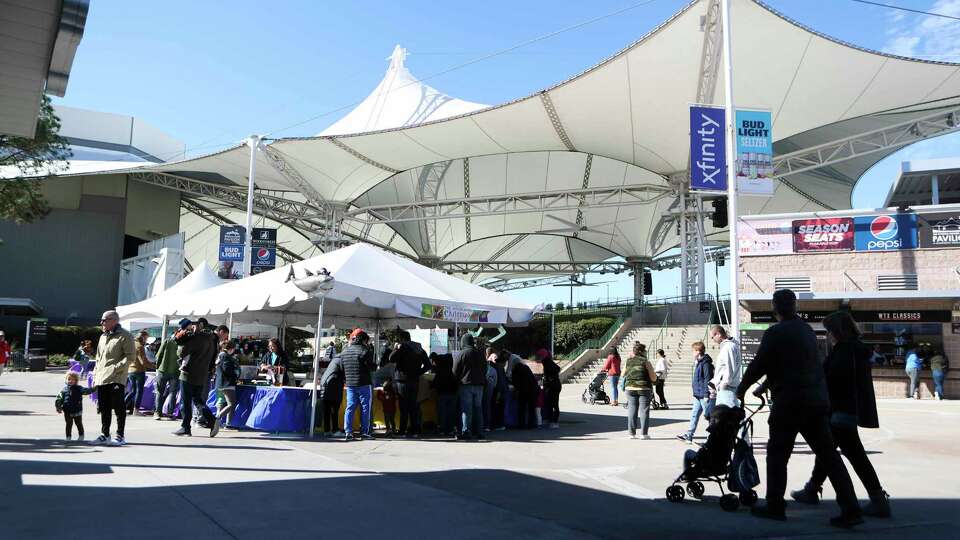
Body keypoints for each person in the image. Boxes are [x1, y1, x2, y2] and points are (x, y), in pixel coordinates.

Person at [735, 289, 862, 528]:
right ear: (795, 306)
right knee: (830, 457)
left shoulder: (776, 332)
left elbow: (760, 363)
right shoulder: (807, 331)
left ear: (775, 307)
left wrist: (741, 389)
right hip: (815, 402)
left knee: (777, 456)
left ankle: (774, 505)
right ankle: (851, 507)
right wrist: (765, 386)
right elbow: (795, 364)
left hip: (789, 404)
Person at [790, 311, 890, 518]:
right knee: (830, 452)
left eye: (829, 331)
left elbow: (834, 381)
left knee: (850, 455)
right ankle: (812, 489)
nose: (828, 335)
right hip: (845, 410)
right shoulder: (855, 349)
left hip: (840, 411)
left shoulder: (845, 351)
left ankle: (876, 499)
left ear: (837, 331)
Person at [91, 310, 136, 446]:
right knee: (104, 407)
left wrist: (114, 369)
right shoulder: (103, 336)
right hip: (102, 377)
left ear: (114, 320)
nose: (102, 323)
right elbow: (98, 357)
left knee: (118, 407)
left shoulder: (125, 336)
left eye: (104, 320)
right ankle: (105, 434)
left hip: (116, 377)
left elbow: (130, 358)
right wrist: (95, 372)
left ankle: (120, 435)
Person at [174, 320, 216, 436]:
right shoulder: (211, 340)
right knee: (197, 400)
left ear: (199, 326)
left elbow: (181, 353)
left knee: (186, 401)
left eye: (194, 325)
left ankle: (185, 427)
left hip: (188, 373)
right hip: (201, 374)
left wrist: (181, 346)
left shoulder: (196, 339)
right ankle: (211, 419)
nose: (192, 328)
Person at [390, 330, 431, 438]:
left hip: (402, 381)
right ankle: (415, 431)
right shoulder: (419, 348)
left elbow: (391, 359)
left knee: (403, 407)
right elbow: (428, 365)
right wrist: (418, 372)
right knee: (413, 406)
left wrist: (396, 348)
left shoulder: (402, 347)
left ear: (402, 339)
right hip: (414, 381)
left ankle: (402, 431)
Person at [340, 329, 376, 441]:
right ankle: (365, 432)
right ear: (364, 340)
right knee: (366, 408)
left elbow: (342, 368)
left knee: (350, 407)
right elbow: (371, 367)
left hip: (350, 384)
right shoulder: (365, 351)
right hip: (364, 383)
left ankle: (348, 432)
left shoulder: (345, 351)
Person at [677, 341, 714, 443]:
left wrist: (707, 394)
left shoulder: (706, 364)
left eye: (693, 351)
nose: (692, 353)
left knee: (709, 416)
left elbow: (708, 379)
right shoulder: (699, 362)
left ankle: (713, 438)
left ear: (698, 351)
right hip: (698, 394)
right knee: (694, 414)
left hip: (704, 394)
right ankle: (689, 435)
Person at [454, 333, 487, 440]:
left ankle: (466, 431)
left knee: (466, 409)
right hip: (480, 385)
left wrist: (458, 379)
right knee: (478, 408)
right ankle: (480, 432)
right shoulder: (480, 353)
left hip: (465, 385)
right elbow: (485, 369)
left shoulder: (461, 354)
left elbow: (455, 371)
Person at [621, 342, 657, 439]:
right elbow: (653, 378)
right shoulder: (645, 361)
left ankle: (631, 434)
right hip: (644, 388)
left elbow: (622, 374)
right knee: (644, 410)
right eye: (645, 350)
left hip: (630, 388)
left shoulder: (628, 361)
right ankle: (644, 434)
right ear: (641, 351)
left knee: (632, 410)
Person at [210, 340, 240, 437]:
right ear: (231, 348)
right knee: (231, 404)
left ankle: (227, 422)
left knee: (225, 403)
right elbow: (227, 369)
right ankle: (217, 417)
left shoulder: (220, 355)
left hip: (221, 383)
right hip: (227, 383)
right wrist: (235, 375)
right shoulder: (226, 356)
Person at [56, 371, 94, 441]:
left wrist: (94, 388)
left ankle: (81, 435)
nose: (70, 381)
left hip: (77, 410)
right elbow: (59, 398)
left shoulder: (79, 388)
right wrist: (58, 407)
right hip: (67, 410)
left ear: (76, 381)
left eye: (73, 379)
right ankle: (68, 437)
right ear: (66, 380)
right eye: (69, 379)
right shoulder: (64, 390)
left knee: (78, 423)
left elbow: (86, 391)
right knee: (68, 424)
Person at [710, 326, 742, 405]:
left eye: (712, 337)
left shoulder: (728, 347)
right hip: (727, 387)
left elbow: (729, 367)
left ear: (718, 334)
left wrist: (723, 385)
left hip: (727, 388)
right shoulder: (729, 346)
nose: (712, 340)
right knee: (727, 414)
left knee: (727, 414)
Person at [125, 330, 154, 415]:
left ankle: (121, 406)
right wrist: (153, 367)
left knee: (133, 391)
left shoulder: (131, 344)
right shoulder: (140, 346)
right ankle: (136, 410)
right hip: (139, 371)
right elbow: (143, 362)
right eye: (147, 338)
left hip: (130, 370)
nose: (147, 340)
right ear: (143, 337)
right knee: (139, 391)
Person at [506, 351, 538, 429]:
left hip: (523, 391)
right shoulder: (526, 367)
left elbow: (515, 382)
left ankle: (521, 425)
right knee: (531, 408)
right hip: (532, 390)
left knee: (522, 408)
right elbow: (533, 378)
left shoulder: (515, 370)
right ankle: (532, 425)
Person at [153, 331, 180, 420]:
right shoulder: (182, 343)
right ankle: (170, 413)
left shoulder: (167, 341)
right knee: (173, 393)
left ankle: (157, 412)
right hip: (175, 371)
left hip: (163, 369)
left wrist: (157, 367)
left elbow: (158, 355)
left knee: (159, 392)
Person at [431, 353, 459, 437]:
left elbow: (434, 384)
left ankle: (442, 429)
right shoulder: (453, 370)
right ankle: (450, 429)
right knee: (451, 412)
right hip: (452, 393)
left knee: (442, 412)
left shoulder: (439, 371)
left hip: (442, 393)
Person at [318, 354, 344, 436]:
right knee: (334, 409)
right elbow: (345, 373)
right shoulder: (342, 360)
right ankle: (335, 430)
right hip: (332, 385)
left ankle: (327, 430)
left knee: (327, 410)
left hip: (325, 383)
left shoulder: (335, 359)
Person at [536, 348, 561, 429]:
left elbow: (549, 374)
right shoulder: (548, 362)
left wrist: (546, 381)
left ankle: (554, 422)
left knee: (553, 404)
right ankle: (551, 420)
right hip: (554, 385)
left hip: (553, 386)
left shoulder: (547, 363)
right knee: (551, 404)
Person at [482, 348, 499, 431]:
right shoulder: (493, 369)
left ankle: (481, 425)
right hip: (490, 388)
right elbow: (495, 381)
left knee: (480, 406)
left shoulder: (481, 368)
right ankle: (487, 425)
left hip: (482, 388)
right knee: (487, 406)